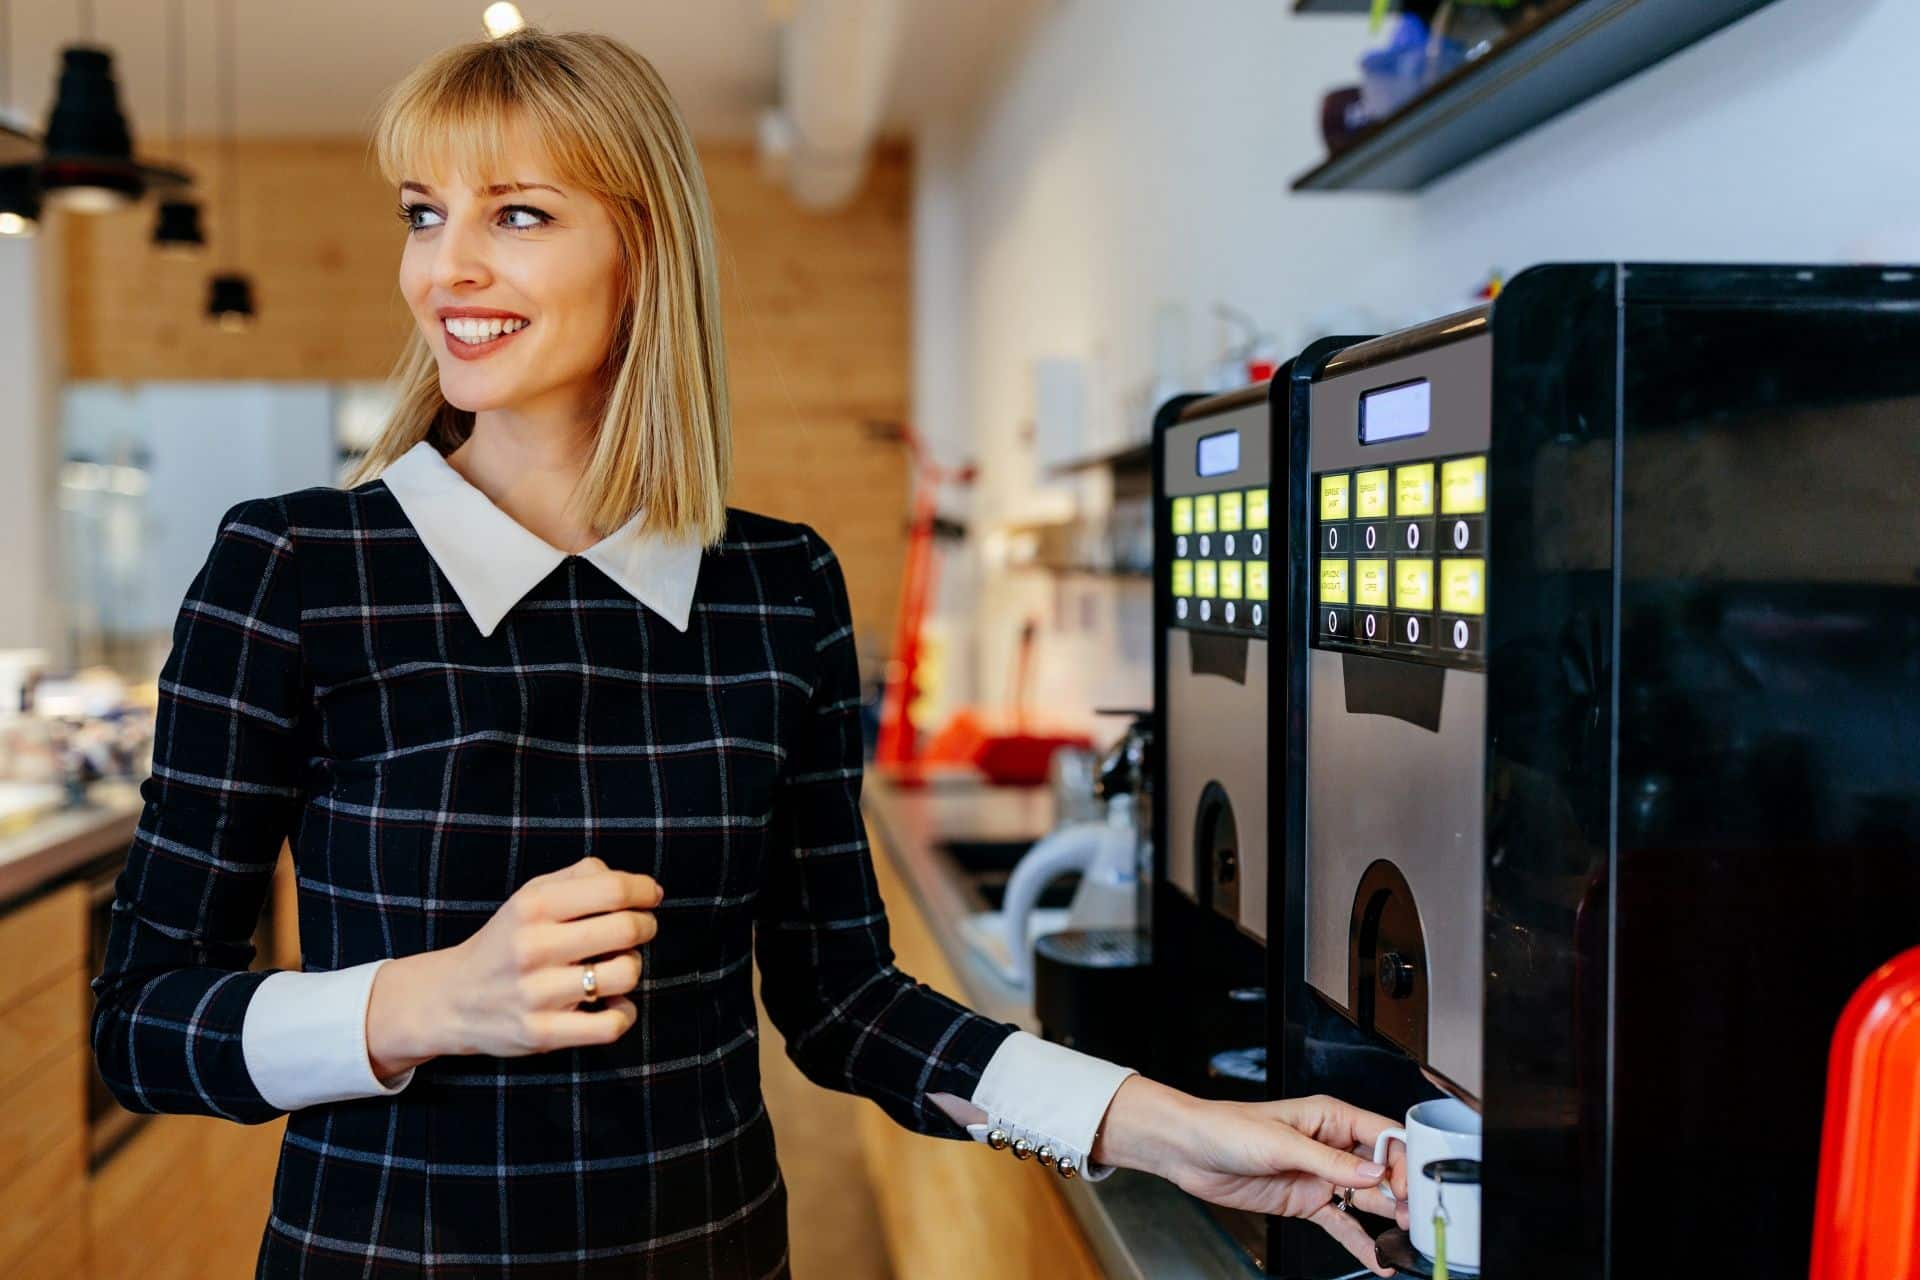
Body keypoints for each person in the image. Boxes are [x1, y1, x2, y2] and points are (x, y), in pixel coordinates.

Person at [87, 25, 1409, 1279]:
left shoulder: (776, 588)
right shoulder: (296, 568)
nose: (445, 269)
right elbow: (140, 1024)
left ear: (642, 250)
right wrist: (425, 1003)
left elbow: (846, 1007)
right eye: (424, 212)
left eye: (519, 214)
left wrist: (1173, 1128)